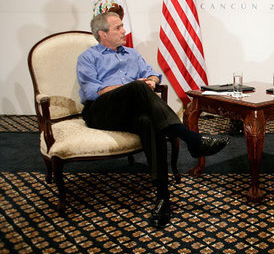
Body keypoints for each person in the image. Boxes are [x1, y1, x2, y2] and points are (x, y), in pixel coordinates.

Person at [77, 12, 230, 228]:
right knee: (138, 88)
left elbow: (153, 74)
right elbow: (93, 91)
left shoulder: (132, 54)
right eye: (118, 28)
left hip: (129, 112)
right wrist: (134, 86)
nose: (124, 31)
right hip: (100, 111)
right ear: (103, 34)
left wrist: (149, 80)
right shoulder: (88, 57)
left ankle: (162, 198)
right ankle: (191, 139)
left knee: (149, 123)